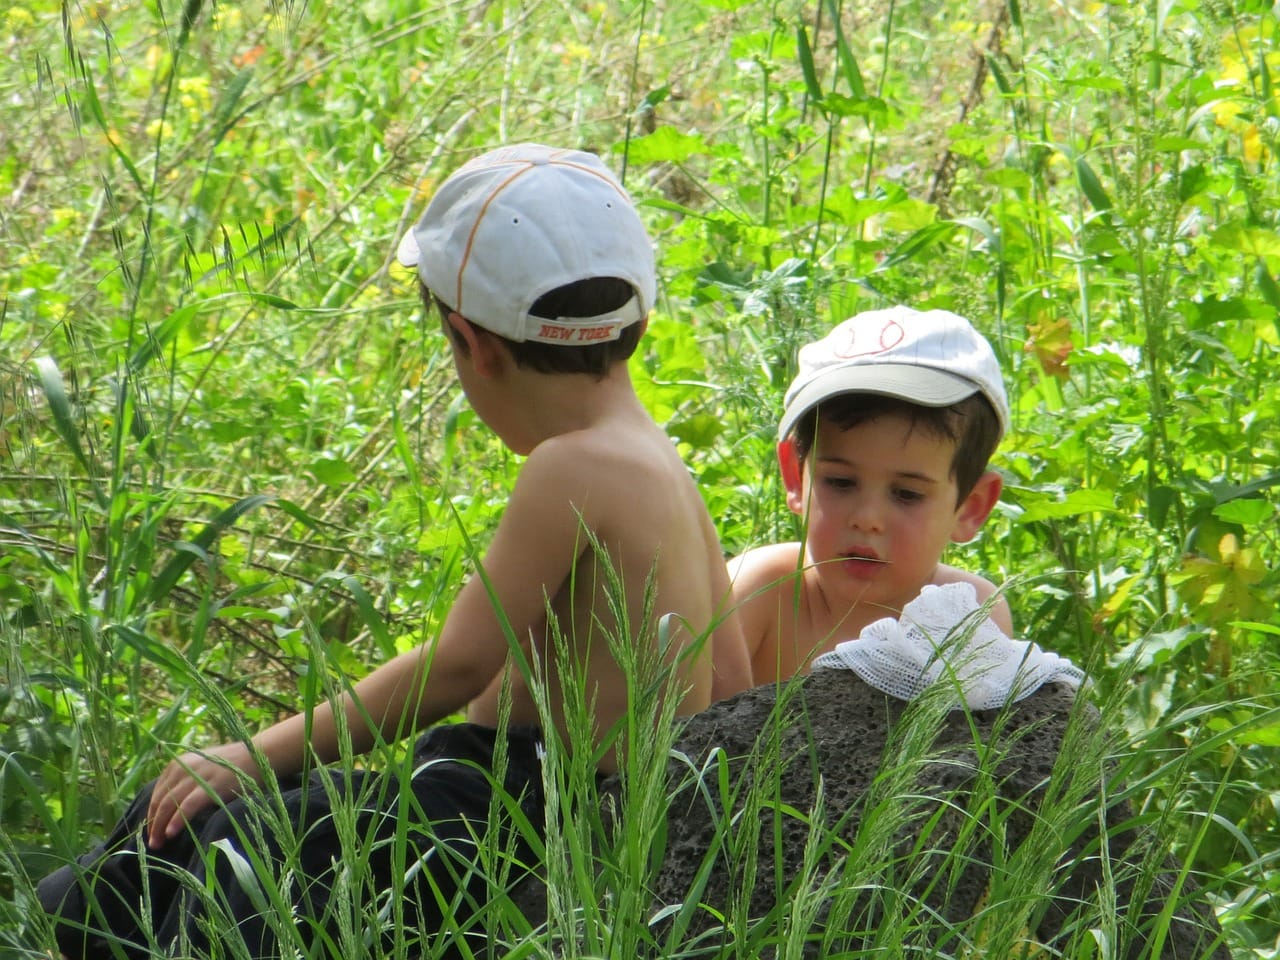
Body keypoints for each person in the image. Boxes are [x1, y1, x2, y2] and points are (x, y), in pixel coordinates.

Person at [38, 143, 751, 959]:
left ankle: (82, 920)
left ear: (469, 341)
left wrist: (249, 754)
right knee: (243, 829)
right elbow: (731, 686)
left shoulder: (574, 465)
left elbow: (455, 668)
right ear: (639, 323)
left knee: (249, 835)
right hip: (594, 810)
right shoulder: (671, 474)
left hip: (504, 806)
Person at [729, 305, 1013, 685]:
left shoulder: (969, 615)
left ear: (970, 508)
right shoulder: (757, 596)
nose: (867, 518)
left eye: (907, 493)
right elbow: (681, 732)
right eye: (841, 482)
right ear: (796, 477)